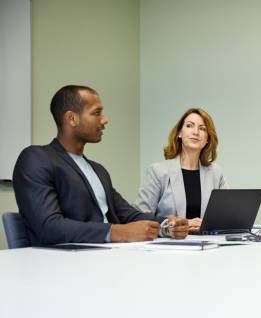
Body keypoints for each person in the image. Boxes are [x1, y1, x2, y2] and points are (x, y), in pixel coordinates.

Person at [12, 85, 189, 245]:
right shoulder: (36, 158)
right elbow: (48, 227)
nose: (104, 120)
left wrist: (166, 224)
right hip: (66, 264)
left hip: (110, 256)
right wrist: (116, 232)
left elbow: (127, 214)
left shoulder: (98, 170)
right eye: (96, 113)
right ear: (72, 118)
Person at [137, 108, 227, 232]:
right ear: (180, 133)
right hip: (169, 246)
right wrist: (181, 224)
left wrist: (208, 225)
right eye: (189, 126)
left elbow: (226, 218)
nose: (195, 132)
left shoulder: (216, 174)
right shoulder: (157, 171)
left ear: (207, 139)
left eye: (202, 128)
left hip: (206, 245)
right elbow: (140, 218)